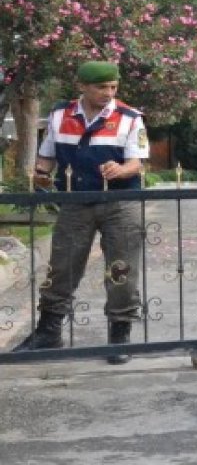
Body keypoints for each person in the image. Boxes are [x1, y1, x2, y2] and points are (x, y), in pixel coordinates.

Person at [11, 61, 148, 365]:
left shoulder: (129, 117)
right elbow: (47, 156)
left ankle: (119, 336)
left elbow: (137, 162)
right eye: (101, 87)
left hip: (120, 202)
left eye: (113, 87)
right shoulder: (60, 115)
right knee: (62, 268)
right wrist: (41, 174)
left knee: (121, 270)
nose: (108, 93)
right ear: (83, 87)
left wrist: (120, 169)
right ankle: (48, 333)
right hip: (75, 201)